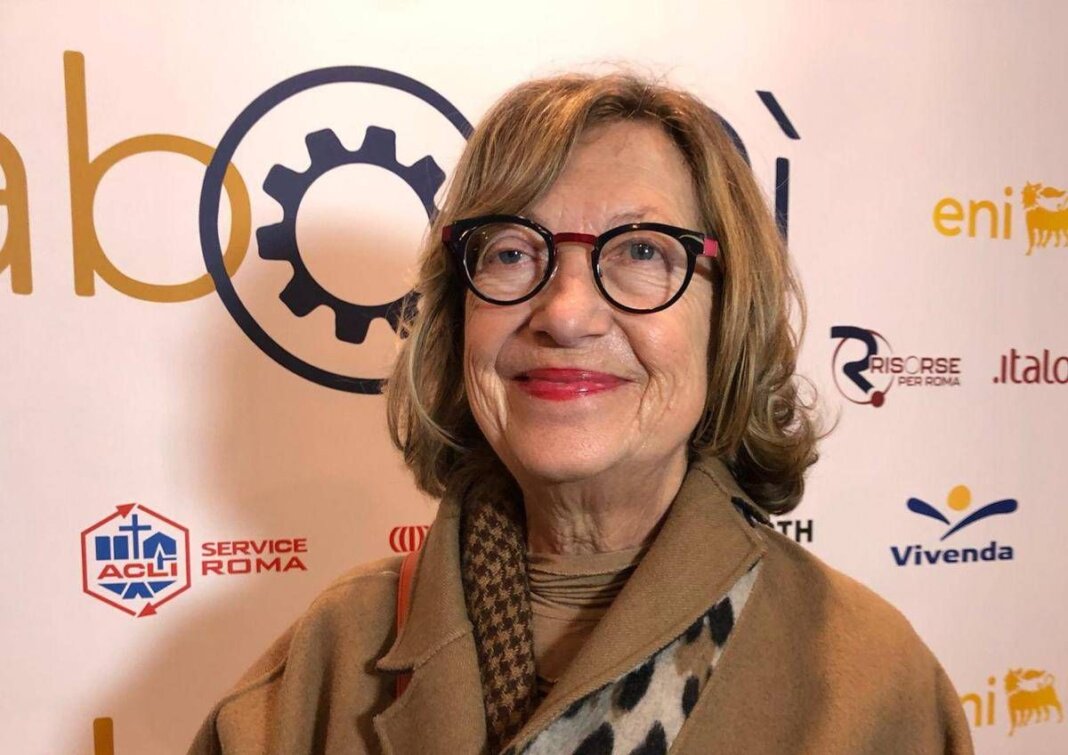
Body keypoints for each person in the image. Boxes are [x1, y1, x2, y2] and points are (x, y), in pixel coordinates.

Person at [190, 72, 973, 754]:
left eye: (641, 251)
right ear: (458, 316)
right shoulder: (331, 658)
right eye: (511, 251)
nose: (565, 313)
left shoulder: (873, 680)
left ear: (728, 316)